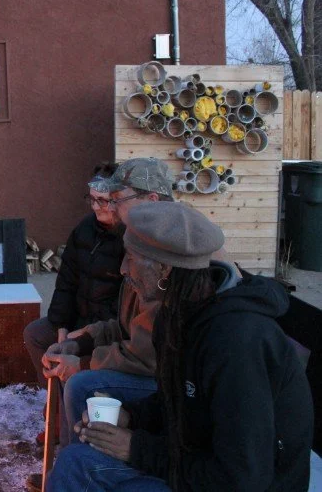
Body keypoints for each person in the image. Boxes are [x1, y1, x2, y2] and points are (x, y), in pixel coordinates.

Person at [48, 201, 313, 491]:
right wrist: (132, 417)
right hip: (198, 460)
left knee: (78, 467)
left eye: (131, 258)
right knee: (80, 457)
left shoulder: (236, 343)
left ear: (164, 270)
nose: (123, 268)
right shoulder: (177, 317)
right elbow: (179, 401)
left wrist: (136, 448)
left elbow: (241, 478)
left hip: (246, 483)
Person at [41, 158, 175, 449]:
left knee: (79, 383)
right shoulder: (139, 240)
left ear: (151, 200)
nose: (108, 207)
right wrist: (82, 339)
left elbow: (147, 353)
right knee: (54, 347)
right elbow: (126, 322)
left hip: (167, 379)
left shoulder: (168, 255)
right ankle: (65, 447)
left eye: (117, 200)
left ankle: (79, 464)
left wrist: (85, 362)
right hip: (131, 351)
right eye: (102, 199)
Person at [24, 162, 124, 390]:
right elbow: (66, 282)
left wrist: (85, 334)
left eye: (103, 201)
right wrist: (61, 326)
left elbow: (124, 307)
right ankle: (53, 406)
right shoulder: (84, 230)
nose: (96, 207)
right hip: (77, 319)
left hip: (107, 329)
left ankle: (69, 407)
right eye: (92, 199)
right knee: (36, 334)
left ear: (119, 200)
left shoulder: (130, 238)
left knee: (72, 359)